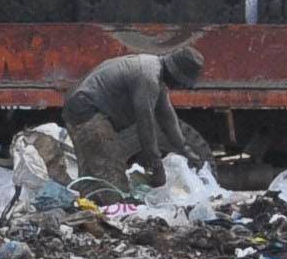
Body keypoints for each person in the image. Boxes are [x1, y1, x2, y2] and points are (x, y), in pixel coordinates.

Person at [63, 46, 209, 188]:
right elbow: (145, 123)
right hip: (85, 109)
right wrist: (156, 164)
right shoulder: (148, 77)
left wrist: (185, 149)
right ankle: (116, 208)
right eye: (181, 84)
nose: (179, 88)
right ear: (175, 74)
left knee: (93, 172)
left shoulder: (155, 72)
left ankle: (92, 206)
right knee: (111, 170)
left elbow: (167, 118)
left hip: (82, 104)